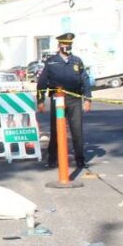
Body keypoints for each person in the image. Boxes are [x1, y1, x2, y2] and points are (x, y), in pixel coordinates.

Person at [36, 32, 92, 168]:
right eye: (65, 44)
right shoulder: (51, 61)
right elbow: (42, 82)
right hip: (58, 100)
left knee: (77, 130)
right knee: (56, 130)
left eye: (69, 44)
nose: (67, 46)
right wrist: (40, 101)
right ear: (59, 45)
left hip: (74, 99)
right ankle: (52, 158)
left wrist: (88, 99)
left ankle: (80, 159)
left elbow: (85, 79)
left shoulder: (77, 61)